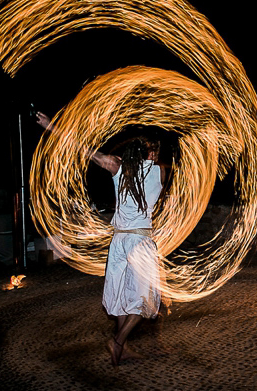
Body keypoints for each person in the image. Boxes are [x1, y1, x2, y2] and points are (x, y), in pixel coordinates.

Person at [37, 114, 168, 365]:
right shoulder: (160, 171)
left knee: (121, 297)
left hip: (118, 243)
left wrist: (50, 126)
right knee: (144, 301)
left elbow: (80, 148)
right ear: (152, 152)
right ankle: (117, 342)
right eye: (155, 150)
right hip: (140, 243)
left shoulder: (117, 166)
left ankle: (123, 347)